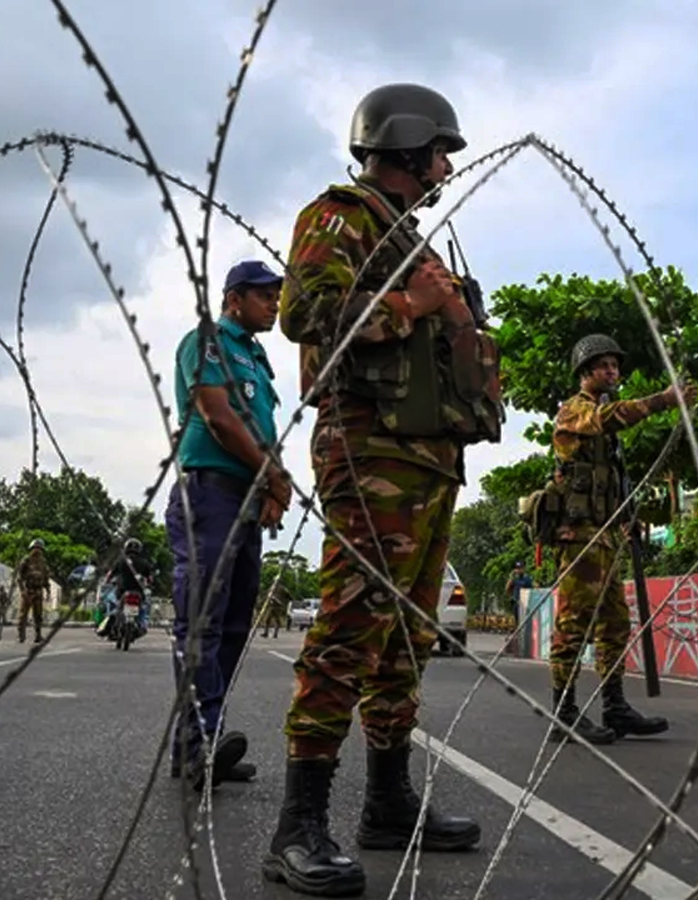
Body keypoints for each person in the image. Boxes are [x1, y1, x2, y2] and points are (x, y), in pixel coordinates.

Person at [264, 83, 502, 896]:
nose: (444, 166)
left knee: (406, 639)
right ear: (401, 145)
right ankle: (297, 825)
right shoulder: (342, 215)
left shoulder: (407, 233)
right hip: (369, 452)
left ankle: (389, 804)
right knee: (351, 627)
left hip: (426, 457)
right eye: (438, 150)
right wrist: (412, 302)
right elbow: (306, 313)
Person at [165, 259, 293, 792]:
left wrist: (269, 486)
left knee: (235, 628)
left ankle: (194, 747)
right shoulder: (211, 340)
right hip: (210, 495)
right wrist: (272, 473)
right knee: (203, 624)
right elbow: (218, 415)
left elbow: (259, 425)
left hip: (245, 499)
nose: (275, 305)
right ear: (235, 298)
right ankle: (202, 745)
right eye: (266, 296)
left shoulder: (259, 360)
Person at [544, 334, 696, 746]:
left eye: (615, 365)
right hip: (579, 537)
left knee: (614, 625)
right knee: (573, 626)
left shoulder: (605, 431)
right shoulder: (575, 412)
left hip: (606, 535)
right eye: (605, 366)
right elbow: (611, 417)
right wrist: (662, 401)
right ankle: (564, 713)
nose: (613, 372)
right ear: (586, 372)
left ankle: (615, 706)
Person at [16, 540, 51, 644]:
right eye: (35, 548)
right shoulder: (26, 560)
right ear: (31, 549)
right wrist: (23, 591)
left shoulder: (43, 563)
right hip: (28, 591)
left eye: (39, 548)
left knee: (38, 615)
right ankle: (21, 636)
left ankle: (38, 635)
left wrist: (48, 590)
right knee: (23, 615)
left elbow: (46, 578)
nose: (37, 550)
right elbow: (19, 578)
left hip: (38, 592)